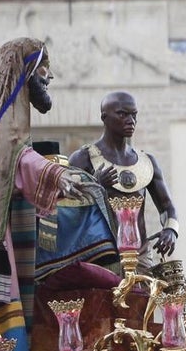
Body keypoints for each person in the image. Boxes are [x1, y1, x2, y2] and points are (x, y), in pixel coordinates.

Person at [0, 38, 85, 351]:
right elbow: (16, 158)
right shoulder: (4, 129)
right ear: (26, 74)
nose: (50, 79)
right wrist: (61, 176)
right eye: (44, 75)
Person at [68, 92, 179, 270]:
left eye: (134, 115)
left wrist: (171, 230)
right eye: (122, 114)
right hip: (100, 256)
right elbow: (68, 212)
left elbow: (168, 207)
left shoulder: (147, 162)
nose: (130, 120)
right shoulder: (83, 159)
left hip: (141, 256)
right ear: (104, 117)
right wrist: (95, 188)